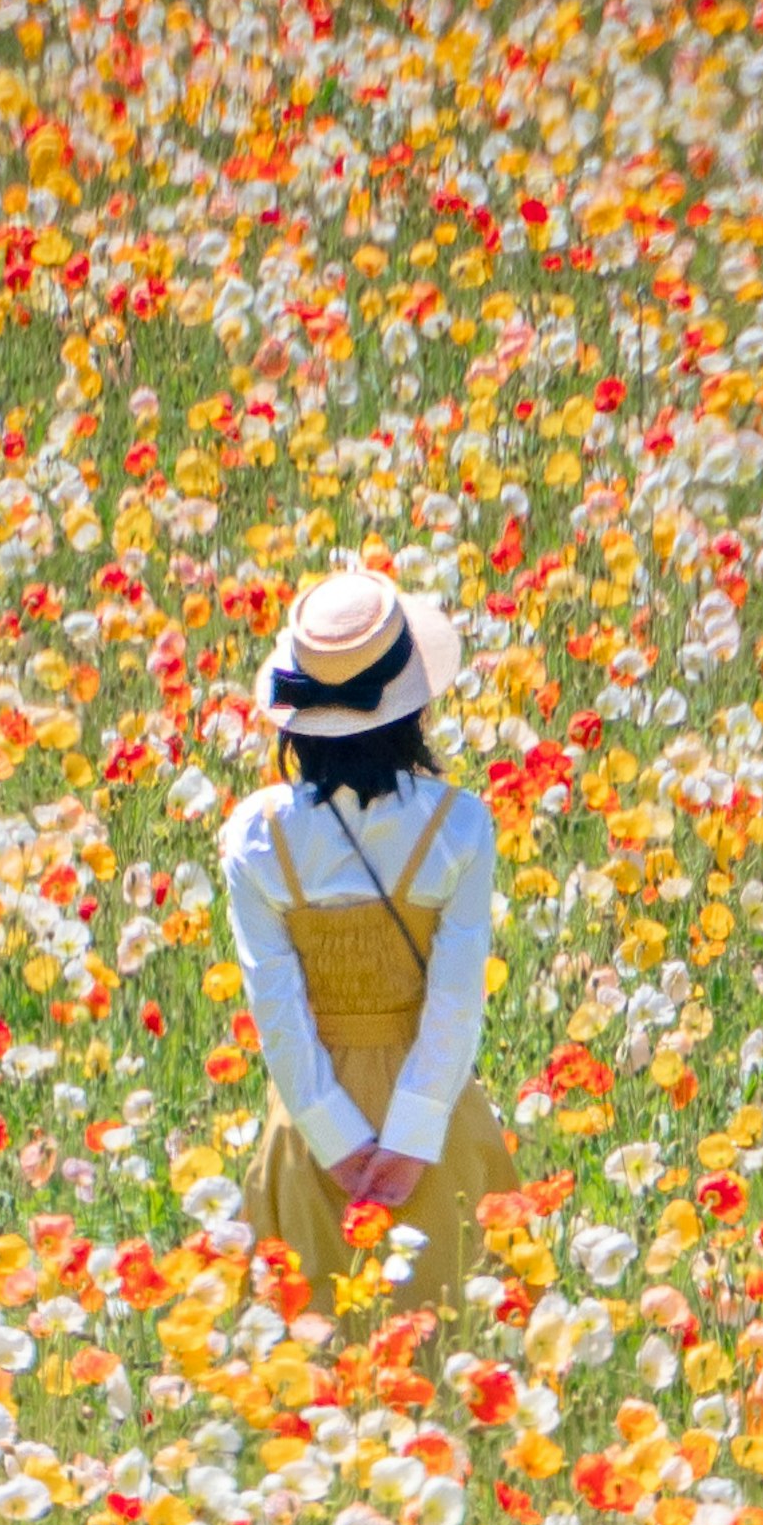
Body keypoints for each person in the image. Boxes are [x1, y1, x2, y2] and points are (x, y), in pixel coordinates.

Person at [221, 567, 514, 1326]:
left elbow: (275, 1009)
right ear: (409, 708)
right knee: (450, 1350)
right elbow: (454, 999)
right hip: (436, 1112)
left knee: (318, 1366)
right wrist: (411, 1142)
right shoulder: (459, 825)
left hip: (313, 1125)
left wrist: (337, 1142)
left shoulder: (256, 838)